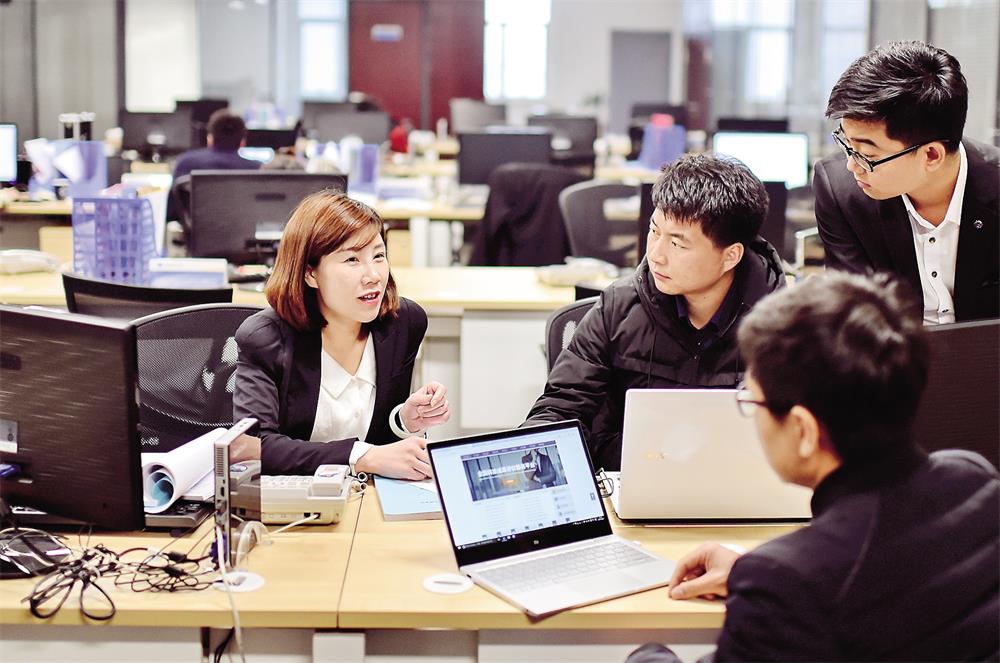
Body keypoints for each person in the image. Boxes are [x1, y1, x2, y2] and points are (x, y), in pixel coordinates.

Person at [628, 272, 999, 662]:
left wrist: (647, 654)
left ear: (803, 430)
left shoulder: (788, 583)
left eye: (753, 401)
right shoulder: (974, 480)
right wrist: (750, 573)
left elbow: (822, 585)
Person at [524, 154, 785, 470]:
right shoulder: (619, 306)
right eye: (654, 231)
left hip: (740, 484)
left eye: (678, 244)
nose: (656, 255)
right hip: (628, 479)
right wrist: (531, 460)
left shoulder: (784, 325)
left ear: (730, 256)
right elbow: (561, 408)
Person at [234, 191, 451, 478]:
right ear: (310, 273)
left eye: (378, 256)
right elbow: (253, 447)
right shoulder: (265, 338)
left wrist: (404, 421)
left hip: (365, 496)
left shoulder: (403, 323)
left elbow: (379, 445)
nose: (373, 275)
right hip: (294, 497)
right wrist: (360, 456)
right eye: (352, 260)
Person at [814, 41, 999, 324]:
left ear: (931, 155)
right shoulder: (840, 190)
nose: (852, 165)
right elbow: (852, 316)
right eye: (847, 145)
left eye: (868, 155)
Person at [172, 109, 260, 181]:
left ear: (210, 139)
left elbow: (174, 198)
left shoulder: (185, 163)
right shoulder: (257, 170)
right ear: (242, 142)